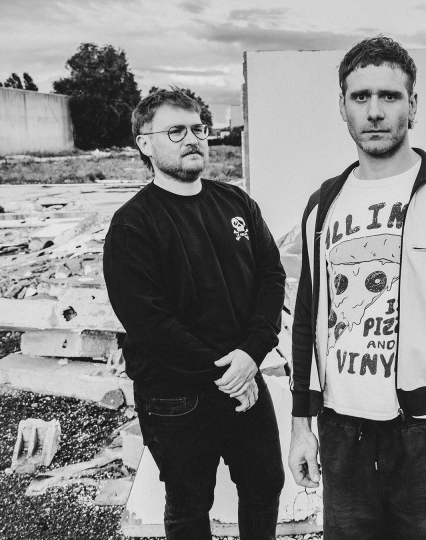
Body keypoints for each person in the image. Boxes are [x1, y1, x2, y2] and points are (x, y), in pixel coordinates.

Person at [287, 35, 426, 540]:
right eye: (361, 97)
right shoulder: (323, 204)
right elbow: (307, 319)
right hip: (342, 433)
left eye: (390, 95)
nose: (375, 111)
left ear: (413, 105)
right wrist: (301, 424)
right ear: (343, 106)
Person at [103, 88, 286, 540]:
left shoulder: (236, 203)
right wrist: (229, 374)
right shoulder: (132, 225)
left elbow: (271, 276)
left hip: (244, 373)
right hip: (177, 396)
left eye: (198, 129)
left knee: (265, 483)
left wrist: (252, 354)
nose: (193, 139)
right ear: (145, 144)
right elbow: (150, 323)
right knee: (189, 503)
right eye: (176, 131)